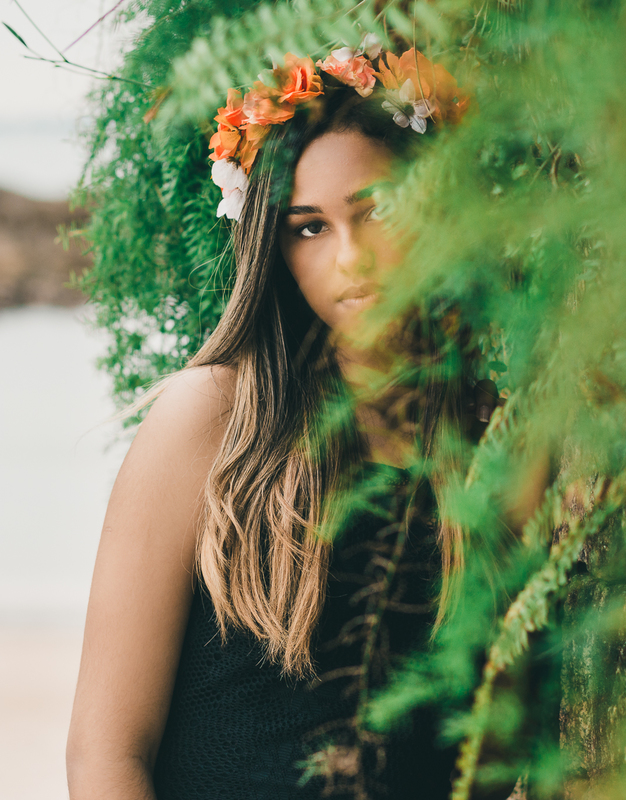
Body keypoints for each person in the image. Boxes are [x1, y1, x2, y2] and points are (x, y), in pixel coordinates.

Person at [65, 45, 495, 799]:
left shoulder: (484, 432)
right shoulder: (210, 420)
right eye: (309, 228)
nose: (352, 259)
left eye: (378, 212)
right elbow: (106, 753)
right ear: (272, 245)